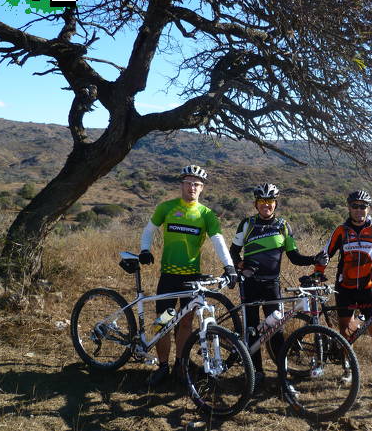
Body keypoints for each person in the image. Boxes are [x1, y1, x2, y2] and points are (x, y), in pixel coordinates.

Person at [139, 165, 237, 386]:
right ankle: (162, 366)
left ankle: (180, 365)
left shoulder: (206, 214)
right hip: (168, 276)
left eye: (197, 184)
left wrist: (229, 266)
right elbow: (149, 230)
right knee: (162, 322)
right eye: (189, 183)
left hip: (191, 278)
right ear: (181, 184)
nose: (192, 187)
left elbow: (218, 241)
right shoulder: (167, 207)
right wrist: (145, 250)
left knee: (185, 323)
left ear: (201, 188)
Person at [229, 182, 328, 392]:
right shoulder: (246, 224)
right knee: (252, 330)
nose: (266, 205)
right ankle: (257, 373)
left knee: (276, 330)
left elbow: (294, 257)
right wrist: (240, 265)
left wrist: (313, 259)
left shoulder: (283, 226)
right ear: (256, 204)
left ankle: (282, 376)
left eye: (270, 201)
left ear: (276, 204)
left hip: (272, 285)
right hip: (250, 284)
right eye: (262, 201)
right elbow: (233, 251)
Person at [313, 190, 372, 387]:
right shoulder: (341, 231)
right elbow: (326, 253)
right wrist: (318, 272)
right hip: (345, 287)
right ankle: (348, 368)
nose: (359, 210)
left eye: (363, 206)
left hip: (368, 287)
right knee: (347, 332)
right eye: (355, 206)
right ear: (349, 207)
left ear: (368, 208)